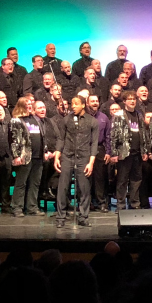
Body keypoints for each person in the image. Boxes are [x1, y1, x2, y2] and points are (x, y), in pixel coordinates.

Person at [53, 95, 98, 227]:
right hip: (68, 156)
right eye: (72, 104)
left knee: (84, 188)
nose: (73, 106)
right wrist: (57, 156)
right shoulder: (66, 120)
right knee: (63, 187)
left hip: (84, 156)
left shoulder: (92, 121)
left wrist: (91, 162)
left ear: (83, 105)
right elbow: (61, 139)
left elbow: (94, 143)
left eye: (76, 104)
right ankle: (60, 217)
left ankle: (83, 216)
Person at [110, 90, 152, 210]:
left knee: (136, 179)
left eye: (134, 99)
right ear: (124, 101)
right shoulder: (119, 115)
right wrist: (114, 152)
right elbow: (114, 135)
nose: (132, 101)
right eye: (130, 99)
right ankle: (121, 205)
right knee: (122, 180)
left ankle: (134, 203)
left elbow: (143, 134)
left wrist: (145, 151)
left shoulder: (139, 114)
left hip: (137, 153)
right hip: (124, 153)